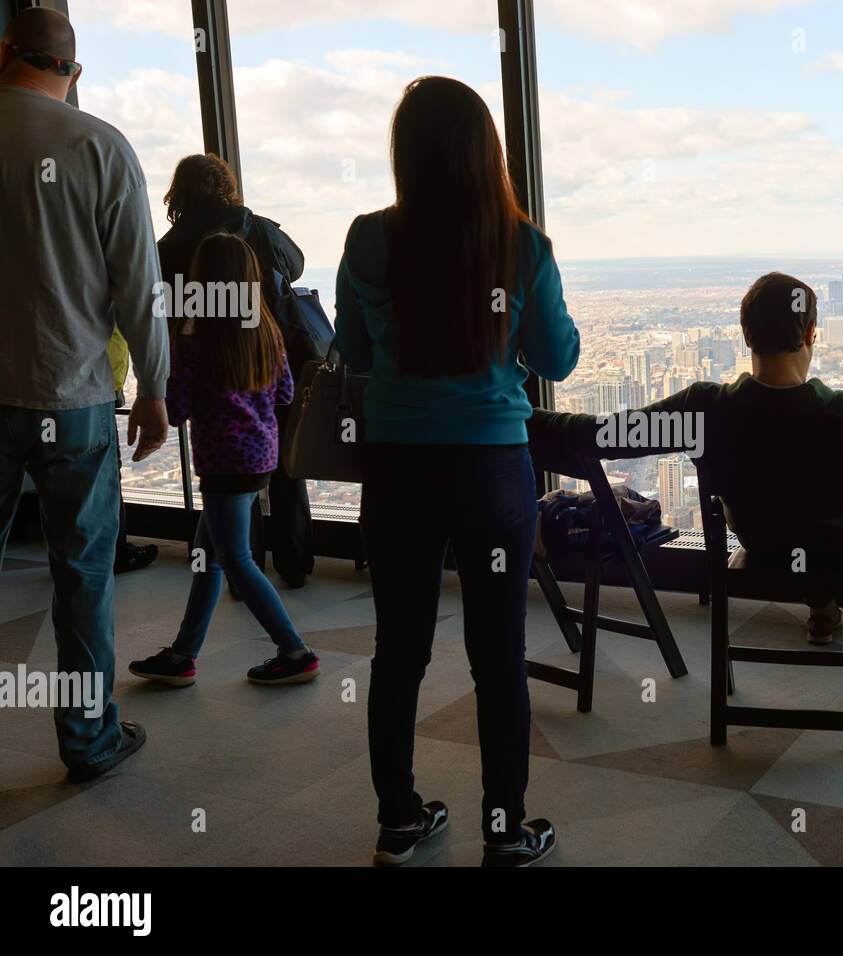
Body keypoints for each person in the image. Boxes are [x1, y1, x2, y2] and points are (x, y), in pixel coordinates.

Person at [333, 76, 580, 867]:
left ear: (406, 153)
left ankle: (398, 817)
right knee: (497, 654)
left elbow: (357, 352)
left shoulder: (369, 239)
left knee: (397, 649)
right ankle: (505, 831)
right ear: (488, 154)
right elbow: (559, 358)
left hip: (399, 468)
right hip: (492, 471)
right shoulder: (522, 245)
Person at [530, 272, 843, 643]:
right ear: (812, 333)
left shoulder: (704, 409)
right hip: (841, 551)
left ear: (746, 336)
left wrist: (512, 414)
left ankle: (821, 601)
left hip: (762, 543)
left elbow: (601, 435)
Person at [0, 7, 167, 781]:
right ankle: (89, 738)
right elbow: (140, 289)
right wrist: (157, 389)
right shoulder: (99, 145)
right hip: (73, 399)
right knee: (82, 578)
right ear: (74, 71)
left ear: (5, 53)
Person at [127, 233, 319, 687]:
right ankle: (182, 655)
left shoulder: (195, 336)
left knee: (235, 559)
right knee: (208, 557)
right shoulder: (267, 329)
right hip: (260, 458)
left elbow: (175, 408)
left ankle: (295, 652)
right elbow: (286, 393)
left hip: (223, 463)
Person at [157, 152, 315, 590]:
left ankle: (243, 566)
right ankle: (295, 559)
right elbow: (296, 266)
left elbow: (165, 305)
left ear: (179, 192)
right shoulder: (258, 228)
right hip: (268, 354)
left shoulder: (168, 248)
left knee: (228, 469)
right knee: (284, 458)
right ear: (227, 184)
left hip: (206, 367)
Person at [108, 326, 160, 573]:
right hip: (92, 387)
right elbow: (141, 320)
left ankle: (64, 557)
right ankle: (116, 552)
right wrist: (151, 392)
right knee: (105, 474)